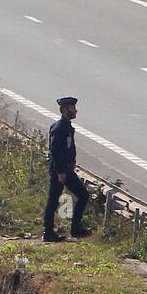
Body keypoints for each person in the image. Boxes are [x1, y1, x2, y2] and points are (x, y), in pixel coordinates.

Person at [44, 95, 90, 242]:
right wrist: (60, 172)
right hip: (60, 171)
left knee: (83, 195)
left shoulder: (67, 127)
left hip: (66, 170)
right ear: (64, 110)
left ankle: (75, 229)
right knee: (53, 201)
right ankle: (48, 233)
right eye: (72, 108)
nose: (75, 111)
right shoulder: (59, 129)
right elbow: (55, 152)